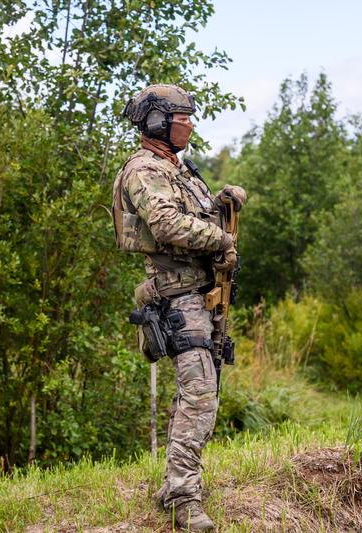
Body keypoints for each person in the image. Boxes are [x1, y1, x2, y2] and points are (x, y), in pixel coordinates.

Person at [111, 84, 246, 531]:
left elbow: (193, 217)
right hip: (178, 297)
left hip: (202, 293)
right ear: (157, 122)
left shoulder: (180, 171)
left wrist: (221, 204)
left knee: (199, 391)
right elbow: (168, 224)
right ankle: (183, 496)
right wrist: (223, 239)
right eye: (182, 116)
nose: (189, 123)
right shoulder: (143, 170)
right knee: (200, 393)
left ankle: (177, 485)